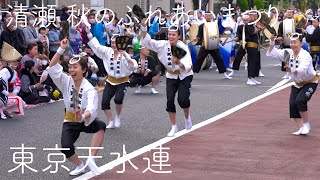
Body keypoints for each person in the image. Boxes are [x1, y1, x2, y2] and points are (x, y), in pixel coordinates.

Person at [46, 39, 106, 176]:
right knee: (66, 148)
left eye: (75, 67)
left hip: (84, 119)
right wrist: (61, 49)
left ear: (84, 70)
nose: (71, 70)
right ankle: (80, 165)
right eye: (70, 67)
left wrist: (83, 116)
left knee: (101, 126)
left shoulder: (89, 89)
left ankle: (91, 158)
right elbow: (52, 66)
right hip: (70, 119)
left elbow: (92, 108)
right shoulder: (65, 80)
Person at [140, 18, 193, 137]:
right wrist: (144, 27)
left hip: (184, 76)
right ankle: (174, 126)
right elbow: (148, 41)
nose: (171, 37)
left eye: (173, 35)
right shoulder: (162, 45)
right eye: (169, 34)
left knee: (182, 99)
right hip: (171, 75)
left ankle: (187, 117)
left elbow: (189, 67)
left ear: (178, 36)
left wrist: (179, 62)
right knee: (170, 101)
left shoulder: (183, 48)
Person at [86, 26, 138, 129]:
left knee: (118, 99)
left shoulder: (125, 54)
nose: (114, 45)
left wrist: (126, 57)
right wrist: (89, 33)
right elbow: (96, 46)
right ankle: (110, 120)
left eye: (117, 42)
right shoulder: (107, 51)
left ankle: (118, 116)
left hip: (122, 81)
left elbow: (134, 66)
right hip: (110, 80)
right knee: (104, 103)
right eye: (113, 42)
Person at [267, 33, 318, 135]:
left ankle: (306, 123)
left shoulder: (305, 55)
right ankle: (301, 127)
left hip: (310, 82)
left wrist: (292, 69)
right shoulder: (288, 53)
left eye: (295, 42)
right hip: (297, 83)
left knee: (300, 100)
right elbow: (272, 53)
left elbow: (302, 70)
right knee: (292, 105)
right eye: (291, 43)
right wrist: (272, 41)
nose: (293, 45)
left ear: (300, 43)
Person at [192, 12, 232, 79]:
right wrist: (196, 38)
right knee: (199, 59)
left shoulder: (214, 25)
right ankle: (192, 73)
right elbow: (199, 35)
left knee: (219, 59)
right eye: (207, 16)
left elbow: (217, 35)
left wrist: (221, 41)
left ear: (211, 17)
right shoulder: (202, 25)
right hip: (205, 45)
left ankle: (224, 74)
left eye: (209, 16)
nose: (208, 17)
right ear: (204, 16)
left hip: (213, 45)